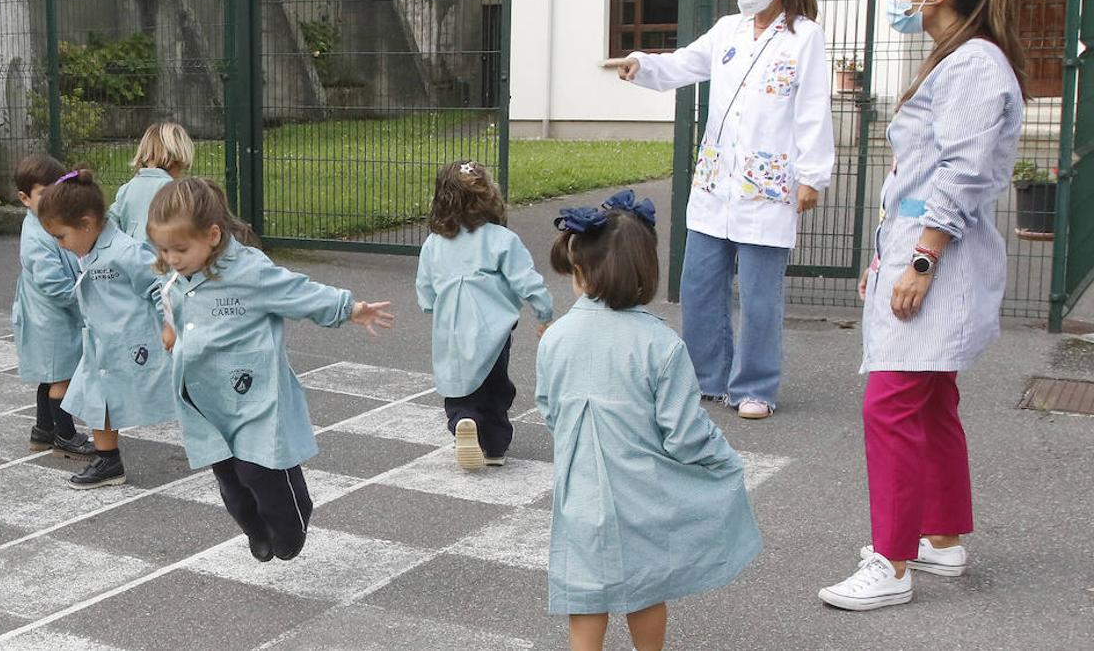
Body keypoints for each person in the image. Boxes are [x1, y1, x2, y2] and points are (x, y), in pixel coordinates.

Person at [818, 0, 1026, 611]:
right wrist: (890, 257)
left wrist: (921, 259)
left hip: (940, 253)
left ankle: (892, 562)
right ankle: (937, 539)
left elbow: (962, 174)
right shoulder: (961, 58)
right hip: (921, 244)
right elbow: (925, 173)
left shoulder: (973, 65)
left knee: (892, 405)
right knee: (932, 402)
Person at [608, 0, 835, 419]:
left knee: (759, 297)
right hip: (716, 184)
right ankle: (708, 377)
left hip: (769, 186)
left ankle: (756, 386)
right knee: (699, 285)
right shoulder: (728, 30)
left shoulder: (804, 36)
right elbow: (684, 63)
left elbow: (814, 108)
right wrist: (640, 64)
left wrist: (813, 174)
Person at [537, 190, 762, 651]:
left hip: (580, 490)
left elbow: (550, 410)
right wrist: (722, 460)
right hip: (643, 492)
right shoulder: (660, 344)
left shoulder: (555, 338)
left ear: (580, 273)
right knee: (646, 588)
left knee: (585, 595)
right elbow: (684, 434)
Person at [148, 177, 393, 562]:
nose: (172, 259)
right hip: (204, 399)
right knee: (229, 480)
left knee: (258, 470)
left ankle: (292, 518)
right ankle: (254, 528)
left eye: (180, 249)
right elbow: (167, 300)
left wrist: (350, 309)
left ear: (213, 235)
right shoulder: (176, 276)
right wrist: (170, 328)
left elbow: (299, 292)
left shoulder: (250, 272)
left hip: (252, 395)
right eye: (163, 250)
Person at [39, 168, 177, 489]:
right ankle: (108, 459)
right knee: (96, 398)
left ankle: (227, 436)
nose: (60, 245)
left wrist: (170, 325)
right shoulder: (87, 247)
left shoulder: (125, 251)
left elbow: (160, 286)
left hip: (133, 342)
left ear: (86, 223)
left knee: (180, 390)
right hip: (101, 343)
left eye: (61, 236)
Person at [415, 160, 553, 470]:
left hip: (450, 325)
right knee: (495, 384)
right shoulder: (502, 240)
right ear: (490, 198)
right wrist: (544, 312)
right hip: (495, 329)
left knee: (457, 381)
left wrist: (430, 306)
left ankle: (464, 420)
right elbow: (526, 279)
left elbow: (425, 285)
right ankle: (493, 446)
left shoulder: (434, 243)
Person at [11, 154, 94, 459]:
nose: (52, 201)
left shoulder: (46, 224)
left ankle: (43, 431)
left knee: (51, 373)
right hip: (49, 316)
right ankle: (65, 434)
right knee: (62, 375)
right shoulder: (35, 233)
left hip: (51, 314)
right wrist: (82, 297)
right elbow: (53, 283)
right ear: (25, 198)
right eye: (44, 195)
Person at [108, 121, 195, 247]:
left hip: (129, 261)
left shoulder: (126, 189)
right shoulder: (178, 192)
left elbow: (109, 225)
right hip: (165, 261)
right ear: (179, 155)